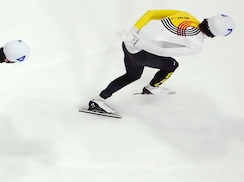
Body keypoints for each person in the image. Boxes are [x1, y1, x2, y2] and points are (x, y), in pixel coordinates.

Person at [85, 11, 234, 117]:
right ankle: (151, 88)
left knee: (132, 75)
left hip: (128, 44)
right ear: (215, 35)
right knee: (172, 65)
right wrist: (137, 42)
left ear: (208, 19)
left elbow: (150, 13)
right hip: (140, 51)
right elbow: (162, 52)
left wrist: (133, 34)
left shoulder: (187, 15)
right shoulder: (197, 45)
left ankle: (99, 100)